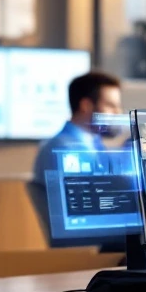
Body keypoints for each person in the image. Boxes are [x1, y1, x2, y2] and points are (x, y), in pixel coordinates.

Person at [30, 71, 123, 237]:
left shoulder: (94, 145)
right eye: (111, 105)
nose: (118, 113)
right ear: (86, 105)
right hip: (84, 245)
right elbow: (91, 210)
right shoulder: (63, 149)